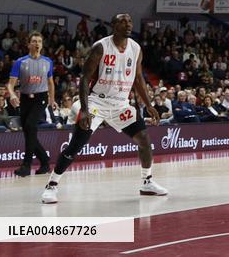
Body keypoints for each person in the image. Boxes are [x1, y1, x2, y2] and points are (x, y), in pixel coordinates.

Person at [41, 14, 167, 203]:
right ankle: (51, 186)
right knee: (78, 142)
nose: (128, 24)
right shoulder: (101, 47)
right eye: (124, 21)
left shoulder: (136, 48)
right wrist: (84, 109)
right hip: (97, 102)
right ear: (114, 25)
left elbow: (138, 78)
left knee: (144, 139)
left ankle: (147, 182)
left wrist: (148, 104)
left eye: (130, 21)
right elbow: (84, 78)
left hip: (120, 104)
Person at [7, 32, 56, 176]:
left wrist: (52, 99)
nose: (37, 44)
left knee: (30, 126)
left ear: (42, 44)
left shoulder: (48, 62)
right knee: (28, 132)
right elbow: (10, 84)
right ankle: (45, 161)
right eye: (34, 41)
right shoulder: (20, 62)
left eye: (39, 41)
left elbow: (51, 83)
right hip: (25, 99)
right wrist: (12, 94)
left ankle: (26, 165)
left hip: (41, 98)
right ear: (28, 44)